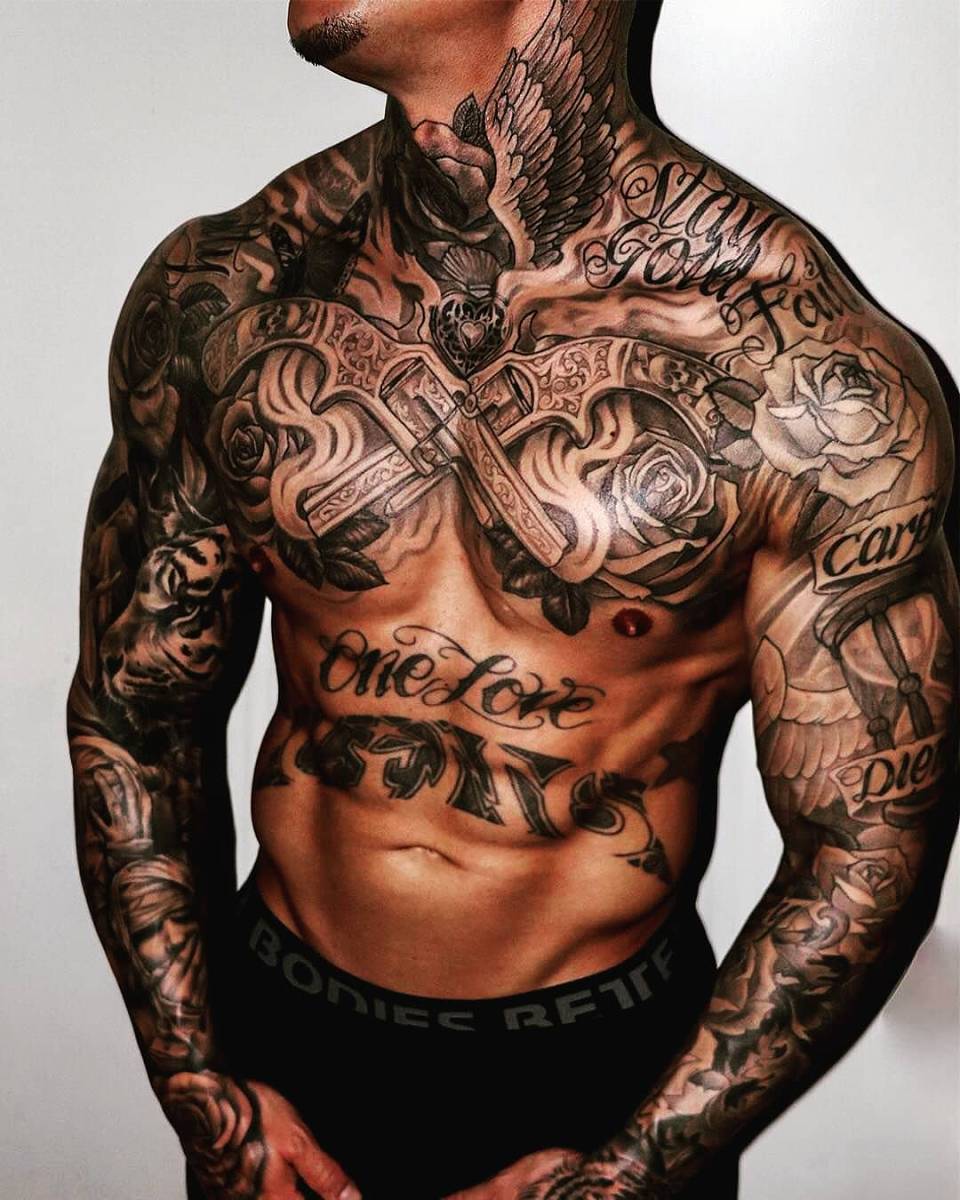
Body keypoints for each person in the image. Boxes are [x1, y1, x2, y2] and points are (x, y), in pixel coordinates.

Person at [65, 1, 959, 1198]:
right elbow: (134, 712)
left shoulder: (810, 381)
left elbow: (865, 844)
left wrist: (627, 1175)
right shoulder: (225, 292)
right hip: (275, 1026)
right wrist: (198, 1080)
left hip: (601, 1089)